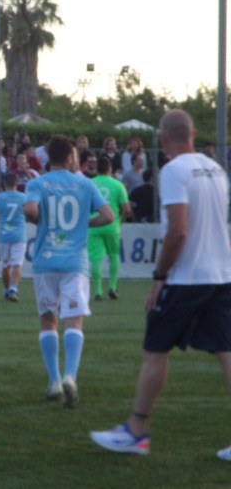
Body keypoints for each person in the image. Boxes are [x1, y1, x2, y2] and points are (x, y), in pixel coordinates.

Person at [90, 109, 231, 459]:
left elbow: (178, 231)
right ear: (193, 133)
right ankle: (135, 432)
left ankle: (136, 433)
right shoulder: (216, 169)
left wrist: (159, 278)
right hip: (221, 274)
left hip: (187, 277)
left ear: (165, 139)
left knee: (155, 351)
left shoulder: (174, 171)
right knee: (226, 352)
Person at [24, 135, 113, 408]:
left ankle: (53, 381)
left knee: (48, 319)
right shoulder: (85, 183)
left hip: (46, 260)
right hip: (75, 262)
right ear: (70, 156)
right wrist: (84, 224)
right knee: (73, 320)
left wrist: (41, 221)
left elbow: (29, 210)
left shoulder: (37, 183)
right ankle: (70, 376)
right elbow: (108, 216)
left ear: (49, 156)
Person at [88, 156, 130, 301]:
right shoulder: (118, 185)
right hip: (112, 224)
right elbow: (127, 209)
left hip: (94, 224)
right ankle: (112, 286)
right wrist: (119, 222)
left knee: (95, 259)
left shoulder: (90, 183)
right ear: (110, 169)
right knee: (114, 255)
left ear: (96, 169)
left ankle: (98, 292)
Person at [0, 173, 27, 302]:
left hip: (4, 234)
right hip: (19, 234)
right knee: (17, 263)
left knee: (5, 264)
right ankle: (13, 288)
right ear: (16, 184)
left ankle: (6, 290)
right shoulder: (24, 197)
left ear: (4, 184)